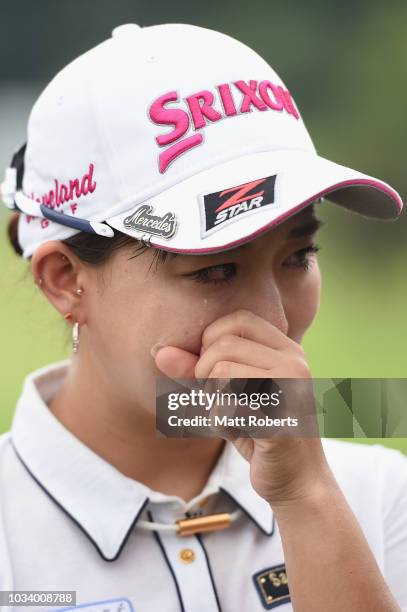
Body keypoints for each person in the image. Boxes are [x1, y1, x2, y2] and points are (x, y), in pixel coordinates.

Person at [1, 22, 406, 612]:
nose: (274, 323)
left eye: (299, 256)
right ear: (66, 281)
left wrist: (306, 498)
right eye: (214, 270)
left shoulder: (380, 496)